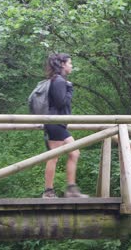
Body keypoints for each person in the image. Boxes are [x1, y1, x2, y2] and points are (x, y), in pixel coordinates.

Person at [42, 53, 89, 198]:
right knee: (53, 157)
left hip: (57, 123)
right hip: (55, 123)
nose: (71, 65)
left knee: (74, 152)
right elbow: (61, 102)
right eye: (70, 63)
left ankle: (70, 189)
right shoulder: (59, 81)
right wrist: (70, 89)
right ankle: (48, 191)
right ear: (62, 64)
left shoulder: (57, 80)